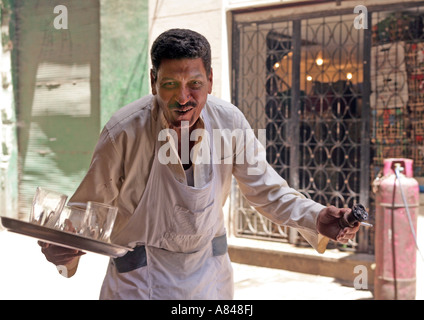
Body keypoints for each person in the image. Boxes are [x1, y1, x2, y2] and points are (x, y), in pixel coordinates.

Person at [39, 28, 360, 300]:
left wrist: (316, 216)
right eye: (169, 85)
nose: (183, 98)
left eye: (194, 84)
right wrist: (64, 248)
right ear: (153, 82)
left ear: (209, 79)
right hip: (138, 282)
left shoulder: (229, 122)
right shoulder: (123, 132)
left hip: (210, 279)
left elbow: (268, 190)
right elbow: (82, 215)